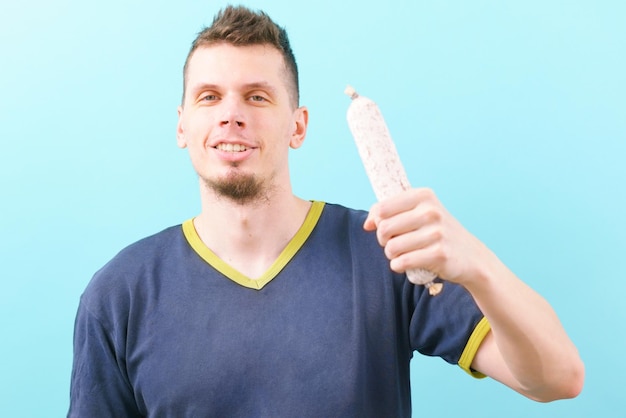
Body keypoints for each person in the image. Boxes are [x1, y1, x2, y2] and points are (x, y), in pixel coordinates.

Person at [68, 5, 584, 417]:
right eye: (209, 97)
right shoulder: (119, 295)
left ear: (298, 126)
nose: (231, 115)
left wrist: (478, 266)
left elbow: (559, 379)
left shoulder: (385, 253)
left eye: (257, 96)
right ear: (182, 126)